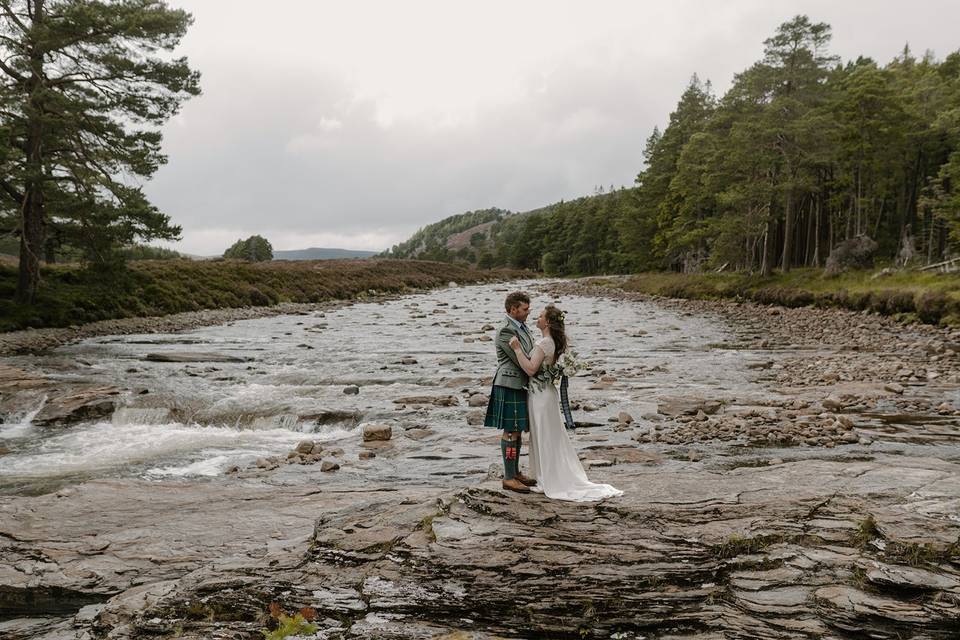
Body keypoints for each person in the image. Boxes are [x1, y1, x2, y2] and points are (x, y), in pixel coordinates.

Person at [509, 305, 623, 502]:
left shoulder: (544, 343)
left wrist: (517, 349)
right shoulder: (552, 342)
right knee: (549, 435)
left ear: (548, 322)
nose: (537, 317)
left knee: (544, 435)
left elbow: (530, 369)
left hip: (540, 396)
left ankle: (547, 478)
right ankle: (544, 475)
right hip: (546, 394)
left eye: (541, 316)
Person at [483, 291, 538, 493]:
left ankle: (515, 472)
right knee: (510, 431)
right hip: (509, 384)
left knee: (517, 429)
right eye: (525, 309)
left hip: (519, 384)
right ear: (512, 309)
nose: (528, 312)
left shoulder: (521, 327)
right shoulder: (506, 331)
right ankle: (508, 477)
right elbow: (521, 359)